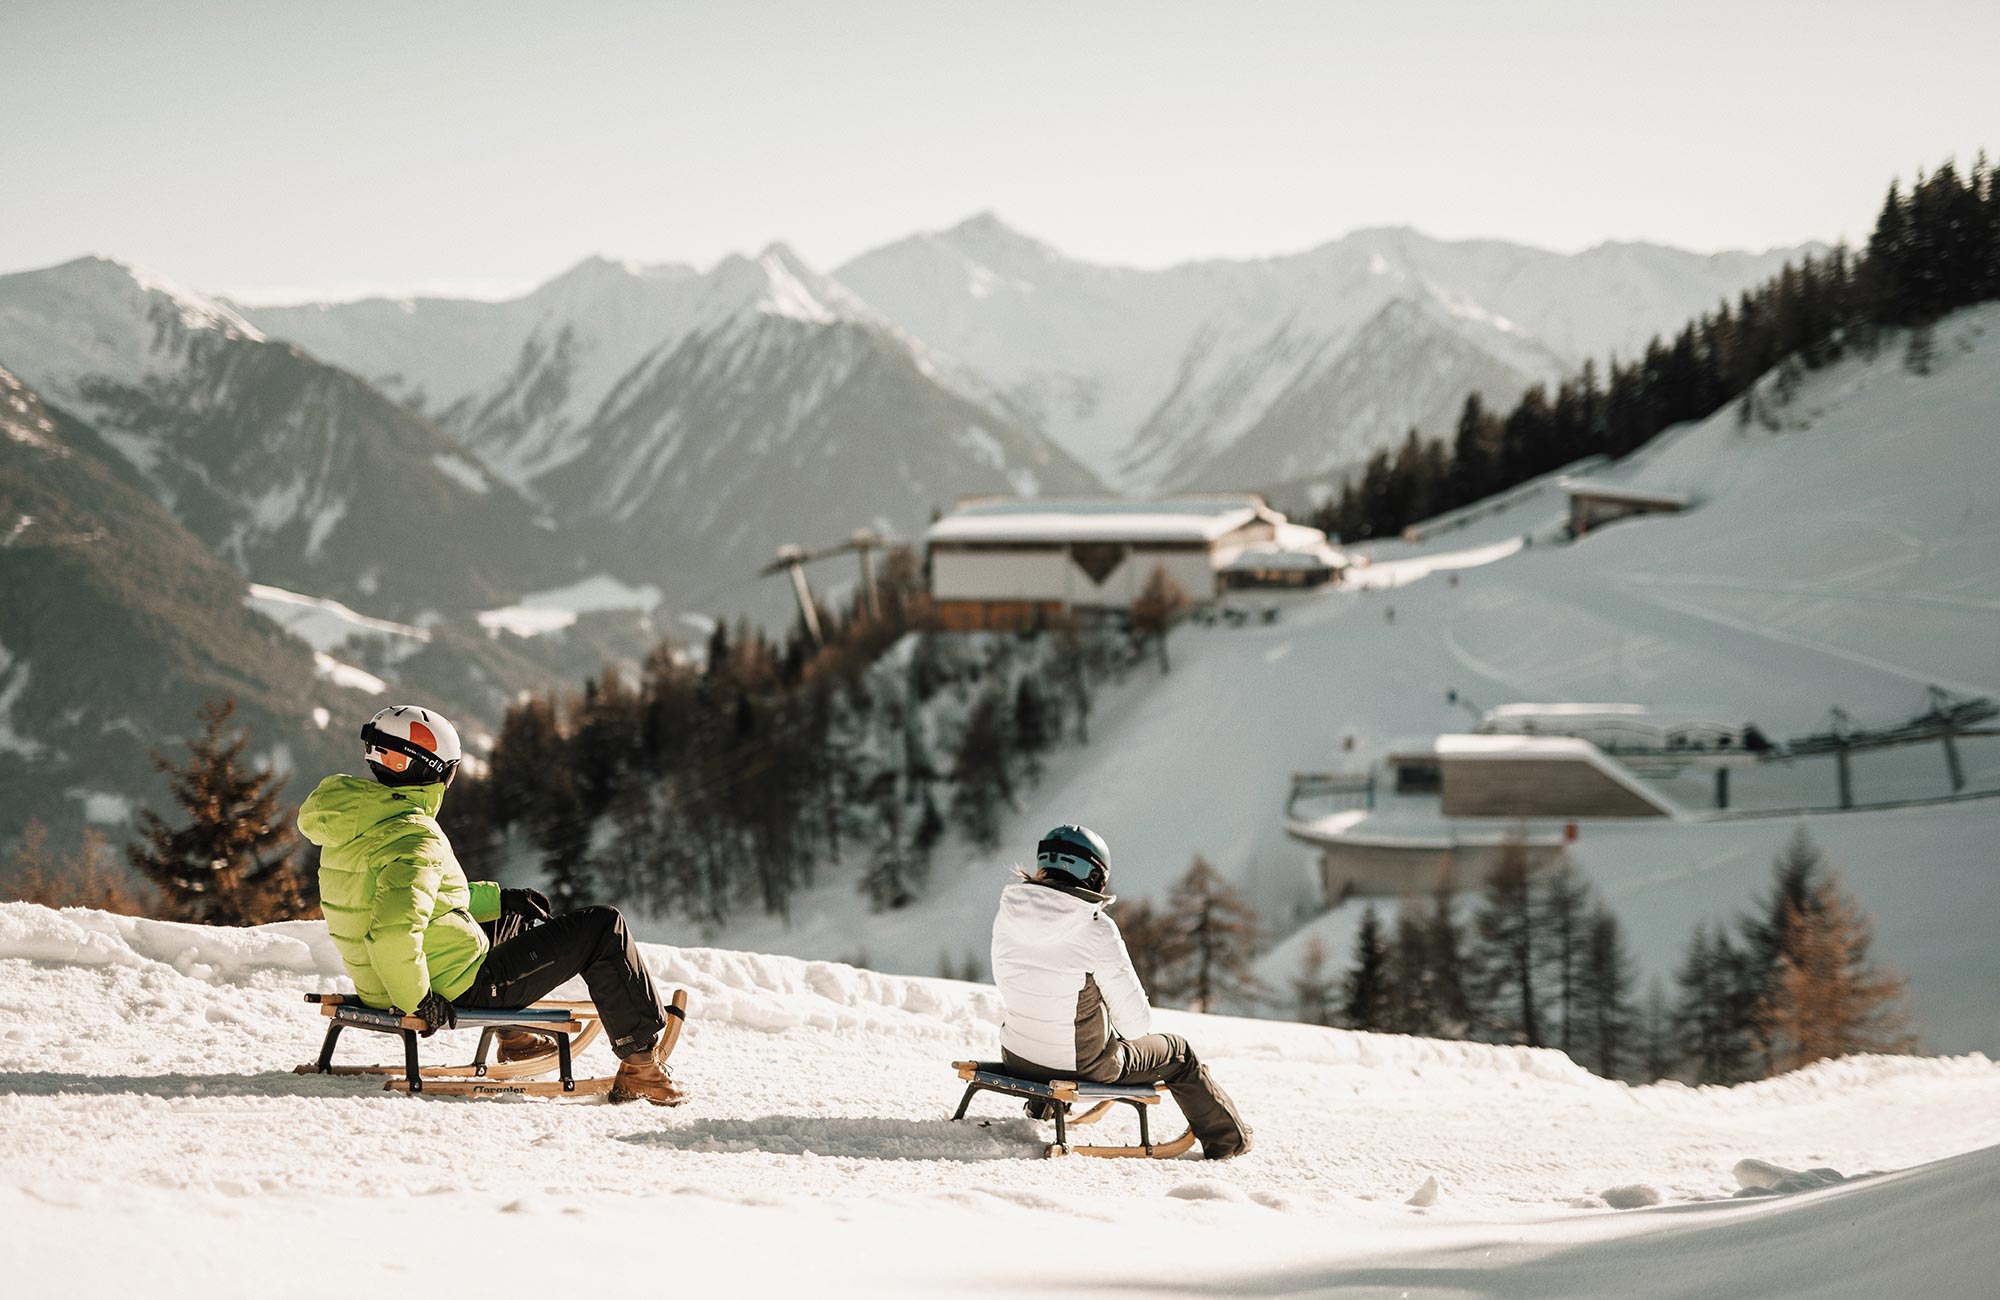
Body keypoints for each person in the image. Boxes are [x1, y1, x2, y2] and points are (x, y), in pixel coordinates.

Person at [297, 704, 686, 1105]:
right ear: (438, 770)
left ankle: (516, 1040)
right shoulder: (414, 835)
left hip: (381, 984)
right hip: (445, 989)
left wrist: (500, 900)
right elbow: (393, 931)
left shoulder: (359, 819)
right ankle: (641, 1066)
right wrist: (419, 1002)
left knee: (513, 916)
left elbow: (419, 898)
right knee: (603, 927)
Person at [989, 824, 1252, 1159]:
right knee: (1179, 1053)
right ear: (1094, 876)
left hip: (1016, 1055)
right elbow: (1136, 1026)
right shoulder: (1096, 929)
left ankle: (1042, 1106)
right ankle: (1228, 1140)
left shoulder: (1008, 913)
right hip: (1081, 1066)